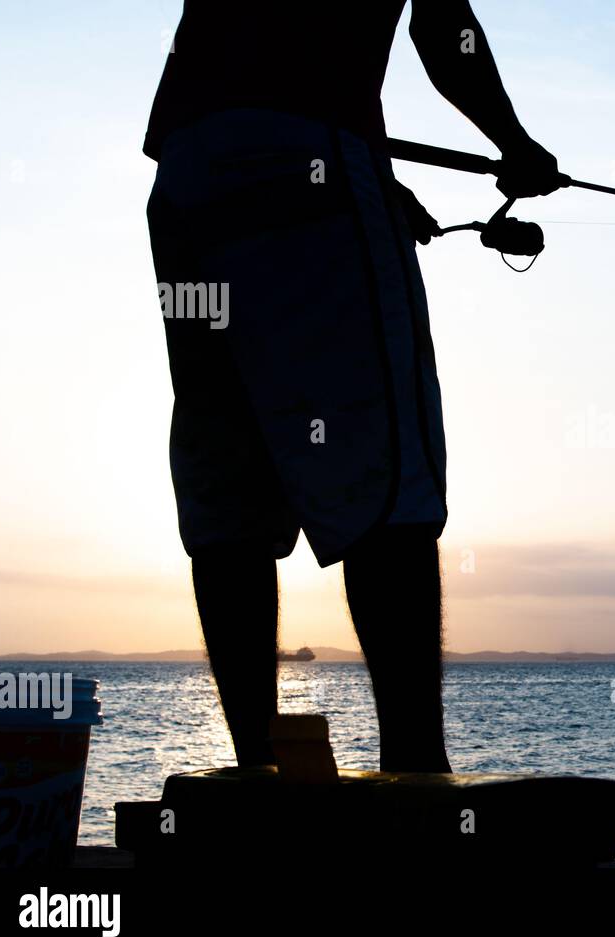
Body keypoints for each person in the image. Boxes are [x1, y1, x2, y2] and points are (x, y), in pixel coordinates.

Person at [144, 1, 559, 772]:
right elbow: (444, 27)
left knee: (227, 480)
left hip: (186, 178)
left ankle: (259, 777)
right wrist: (515, 146)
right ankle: (417, 779)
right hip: (315, 148)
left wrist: (364, 186)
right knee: (384, 485)